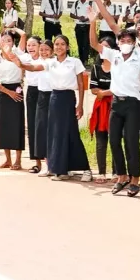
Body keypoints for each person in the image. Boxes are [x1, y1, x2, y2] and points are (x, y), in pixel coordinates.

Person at [90, 0, 140, 196]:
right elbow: (94, 43)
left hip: (133, 103)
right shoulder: (114, 55)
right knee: (114, 140)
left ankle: (135, 179)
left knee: (131, 141)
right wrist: (93, 21)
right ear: (118, 42)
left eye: (129, 40)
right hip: (116, 104)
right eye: (122, 40)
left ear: (134, 43)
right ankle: (122, 176)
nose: (125, 43)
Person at [41, 35, 91, 180]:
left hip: (68, 98)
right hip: (54, 98)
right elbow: (32, 67)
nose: (59, 47)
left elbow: (81, 84)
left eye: (62, 44)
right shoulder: (50, 63)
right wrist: (16, 60)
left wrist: (80, 105)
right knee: (56, 134)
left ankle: (86, 169)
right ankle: (61, 169)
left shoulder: (74, 62)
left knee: (71, 132)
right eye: (56, 44)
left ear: (68, 47)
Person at [0, 30, 27, 169]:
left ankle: (18, 160)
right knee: (4, 125)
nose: (6, 43)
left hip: (16, 90)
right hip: (3, 91)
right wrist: (7, 92)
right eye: (3, 41)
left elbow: (12, 57)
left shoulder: (17, 54)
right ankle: (8, 159)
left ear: (13, 42)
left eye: (9, 40)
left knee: (17, 125)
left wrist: (13, 28)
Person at [88, 34, 114, 182]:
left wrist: (104, 93)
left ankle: (117, 172)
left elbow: (120, 87)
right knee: (101, 140)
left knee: (115, 140)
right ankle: (102, 172)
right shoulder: (96, 68)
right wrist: (103, 93)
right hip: (101, 107)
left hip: (116, 105)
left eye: (107, 47)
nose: (104, 50)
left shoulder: (118, 66)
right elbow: (93, 88)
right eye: (101, 47)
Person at [29, 39, 53, 174]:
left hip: (54, 96)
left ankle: (54, 164)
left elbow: (31, 68)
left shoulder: (53, 62)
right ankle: (45, 164)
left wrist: (19, 63)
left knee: (53, 131)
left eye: (46, 49)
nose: (43, 52)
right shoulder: (38, 61)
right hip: (40, 96)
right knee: (41, 130)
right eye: (42, 50)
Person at [71, 0, 93, 65]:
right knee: (79, 44)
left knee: (86, 44)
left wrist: (87, 18)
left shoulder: (91, 3)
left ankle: (86, 60)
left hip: (87, 25)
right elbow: (71, 14)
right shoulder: (76, 3)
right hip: (78, 26)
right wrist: (79, 17)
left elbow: (95, 14)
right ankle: (81, 60)